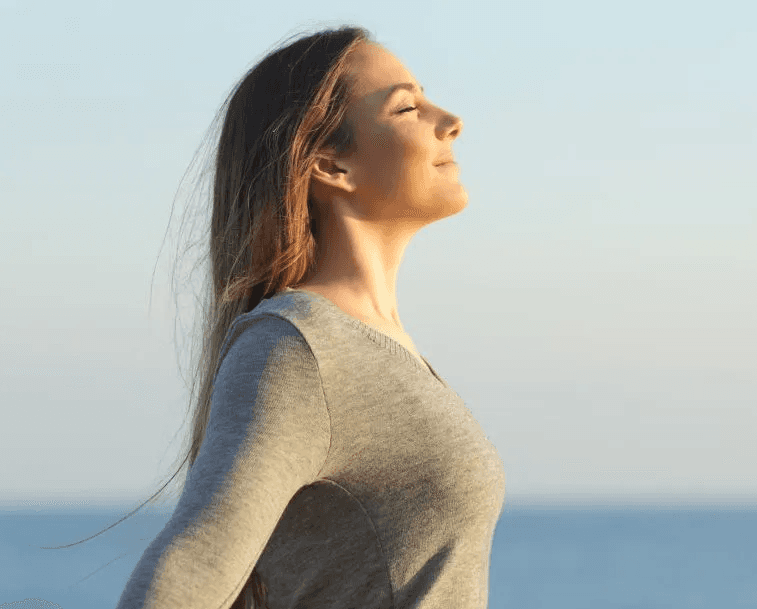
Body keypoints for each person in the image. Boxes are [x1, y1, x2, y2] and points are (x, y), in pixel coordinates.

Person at [112, 25, 506, 609]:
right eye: (407, 107)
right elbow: (182, 578)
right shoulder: (298, 347)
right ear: (329, 165)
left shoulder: (370, 344)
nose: (450, 120)